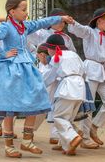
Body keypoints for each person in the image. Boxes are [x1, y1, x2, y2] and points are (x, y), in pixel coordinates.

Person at [0, 0, 73, 158]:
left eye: (27, 9)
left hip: (26, 68)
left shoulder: (25, 26)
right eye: (23, 10)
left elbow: (42, 22)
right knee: (9, 108)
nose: (26, 13)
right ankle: (9, 146)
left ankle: (27, 140)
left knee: (37, 99)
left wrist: (61, 18)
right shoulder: (6, 27)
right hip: (10, 69)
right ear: (12, 11)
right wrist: (3, 53)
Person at [68, 7, 105, 149]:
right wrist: (72, 22)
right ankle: (85, 137)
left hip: (103, 73)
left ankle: (94, 127)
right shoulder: (90, 32)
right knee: (88, 105)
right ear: (99, 21)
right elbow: (79, 29)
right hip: (90, 69)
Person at [28, 8, 77, 145]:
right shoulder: (41, 32)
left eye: (63, 21)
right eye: (58, 20)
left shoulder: (67, 38)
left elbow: (72, 53)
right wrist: (39, 54)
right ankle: (30, 130)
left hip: (62, 75)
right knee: (43, 103)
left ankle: (55, 134)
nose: (61, 23)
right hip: (47, 71)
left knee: (59, 103)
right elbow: (27, 33)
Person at [42, 34, 85, 155]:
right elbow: (84, 70)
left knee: (59, 117)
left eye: (49, 48)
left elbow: (50, 76)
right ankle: (67, 145)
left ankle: (74, 136)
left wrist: (39, 86)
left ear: (55, 48)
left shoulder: (57, 56)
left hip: (67, 87)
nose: (47, 51)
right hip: (80, 88)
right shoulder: (74, 54)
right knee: (68, 118)